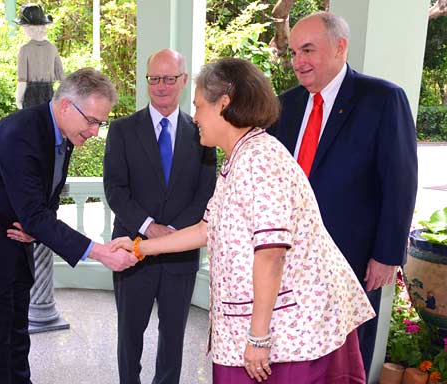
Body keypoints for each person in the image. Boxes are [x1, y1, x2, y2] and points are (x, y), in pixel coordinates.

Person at [112, 57, 375, 383]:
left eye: (198, 107)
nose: (194, 118)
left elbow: (271, 252)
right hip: (262, 325)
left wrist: (258, 337)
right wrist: (139, 249)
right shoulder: (238, 158)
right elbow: (204, 230)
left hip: (291, 334)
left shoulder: (259, 159)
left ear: (224, 104)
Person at [0, 67, 138, 384]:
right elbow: (35, 213)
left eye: (100, 123)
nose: (95, 132)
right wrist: (100, 252)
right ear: (66, 106)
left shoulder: (62, 135)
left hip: (16, 252)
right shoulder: (20, 133)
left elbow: (43, 205)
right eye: (92, 121)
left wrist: (34, 226)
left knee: (17, 346)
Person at [268, 12, 418, 374]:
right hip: (287, 258)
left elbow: (400, 181)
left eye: (307, 50)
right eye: (293, 52)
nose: (298, 62)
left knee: (347, 358)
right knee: (294, 353)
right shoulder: (285, 105)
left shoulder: (383, 99)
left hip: (351, 260)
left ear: (340, 47)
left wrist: (386, 255)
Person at [103, 48, 216, 384]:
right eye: (155, 79)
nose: (161, 86)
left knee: (173, 335)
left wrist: (174, 234)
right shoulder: (122, 130)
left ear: (183, 80)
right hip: (133, 250)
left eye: (170, 78)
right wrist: (150, 228)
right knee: (129, 332)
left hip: (181, 255)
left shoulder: (202, 131)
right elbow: (115, 189)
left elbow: (205, 192)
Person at [15, 3, 64, 109]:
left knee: (32, 124)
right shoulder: (52, 48)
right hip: (49, 94)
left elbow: (22, 81)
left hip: (30, 96)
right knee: (46, 124)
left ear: (29, 27)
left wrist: (18, 101)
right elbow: (62, 79)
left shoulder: (25, 50)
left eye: (24, 26)